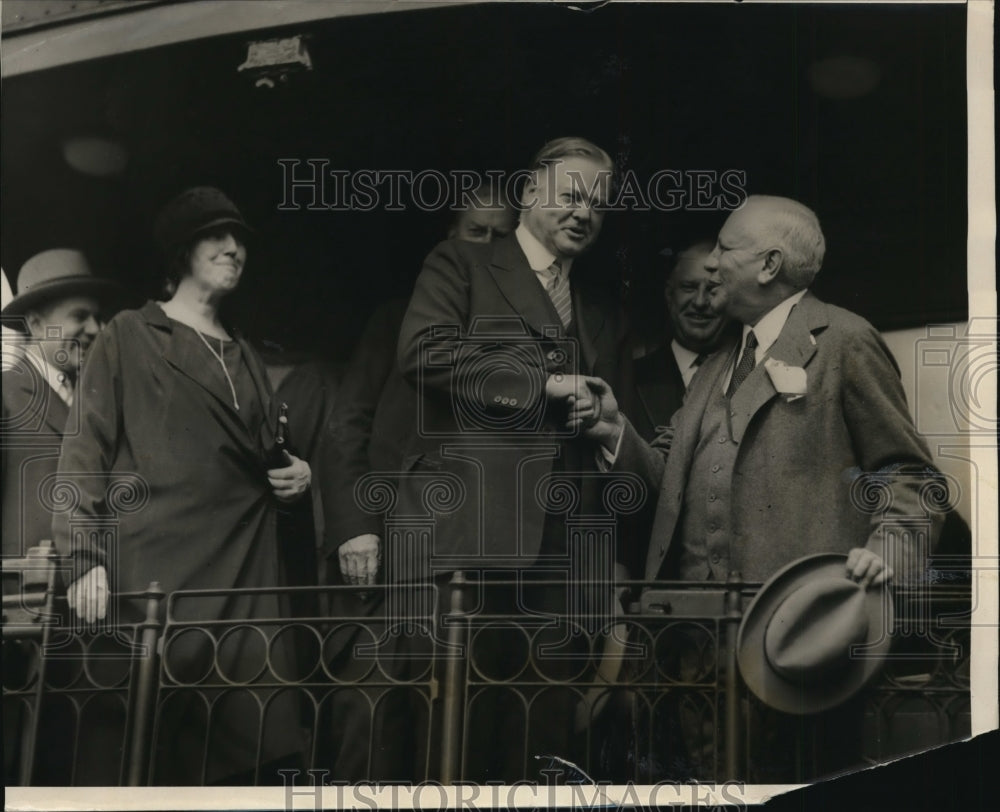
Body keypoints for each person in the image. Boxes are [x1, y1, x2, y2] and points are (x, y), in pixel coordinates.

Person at [576, 194, 947, 781]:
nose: (712, 263)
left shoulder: (845, 341)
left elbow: (913, 477)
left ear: (770, 265)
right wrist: (612, 428)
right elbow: (668, 488)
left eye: (726, 247)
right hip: (694, 652)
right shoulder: (722, 358)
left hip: (795, 636)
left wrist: (889, 551)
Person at [52, 187, 311, 785]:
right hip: (160, 579)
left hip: (246, 580)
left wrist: (298, 475)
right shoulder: (129, 335)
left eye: (241, 238)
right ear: (180, 252)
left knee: (249, 758)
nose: (233, 248)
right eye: (216, 236)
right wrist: (84, 558)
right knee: (148, 753)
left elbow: (266, 458)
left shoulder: (244, 353)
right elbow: (84, 446)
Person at [395, 137, 630, 780]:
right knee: (459, 741)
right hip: (478, 541)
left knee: (541, 742)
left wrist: (596, 414)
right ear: (529, 194)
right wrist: (547, 384)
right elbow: (424, 353)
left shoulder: (601, 313)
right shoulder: (462, 263)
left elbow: (611, 415)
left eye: (599, 205)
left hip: (565, 558)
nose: (585, 213)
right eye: (571, 195)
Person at [316, 180, 516, 782]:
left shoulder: (518, 329)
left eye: (500, 236)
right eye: (474, 231)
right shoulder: (397, 319)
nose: (485, 245)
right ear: (447, 240)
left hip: (471, 577)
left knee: (456, 748)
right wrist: (355, 529)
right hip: (384, 567)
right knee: (369, 733)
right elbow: (345, 428)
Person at [1, 249, 117, 785]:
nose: (95, 329)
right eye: (80, 317)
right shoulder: (7, 396)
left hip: (90, 634)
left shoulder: (101, 404)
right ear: (34, 322)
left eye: (97, 316)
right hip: (21, 631)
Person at [631, 239, 734, 441]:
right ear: (670, 296)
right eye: (689, 287)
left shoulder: (748, 370)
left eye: (713, 289)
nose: (700, 302)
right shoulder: (629, 376)